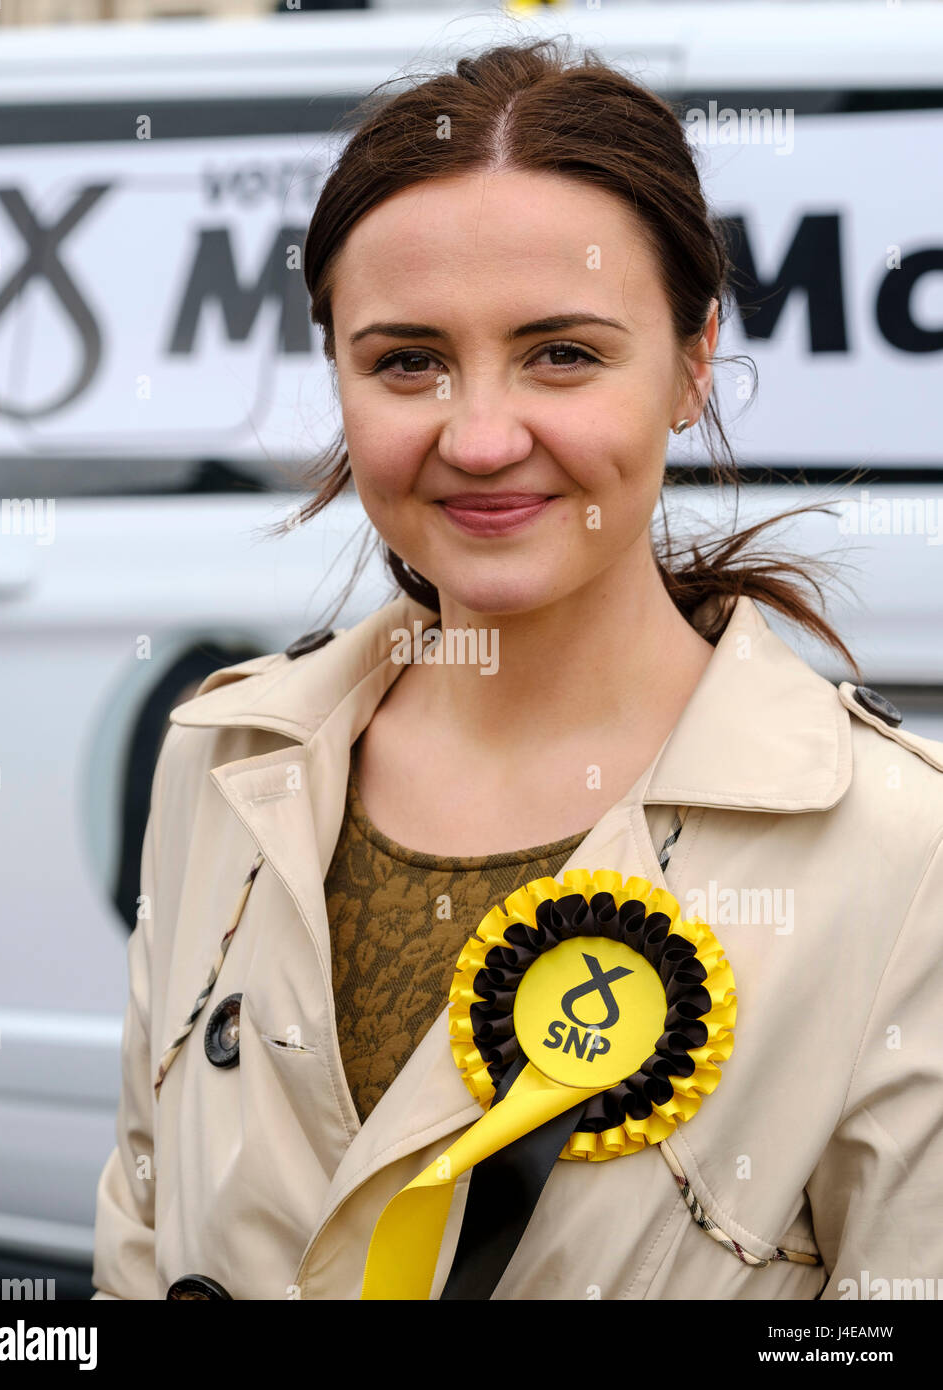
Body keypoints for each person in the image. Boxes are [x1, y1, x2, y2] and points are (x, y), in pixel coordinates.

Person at [91, 38, 943, 1301]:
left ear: (693, 362)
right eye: (406, 361)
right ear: (337, 375)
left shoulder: (900, 848)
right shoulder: (223, 760)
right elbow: (137, 1234)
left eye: (563, 354)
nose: (481, 438)